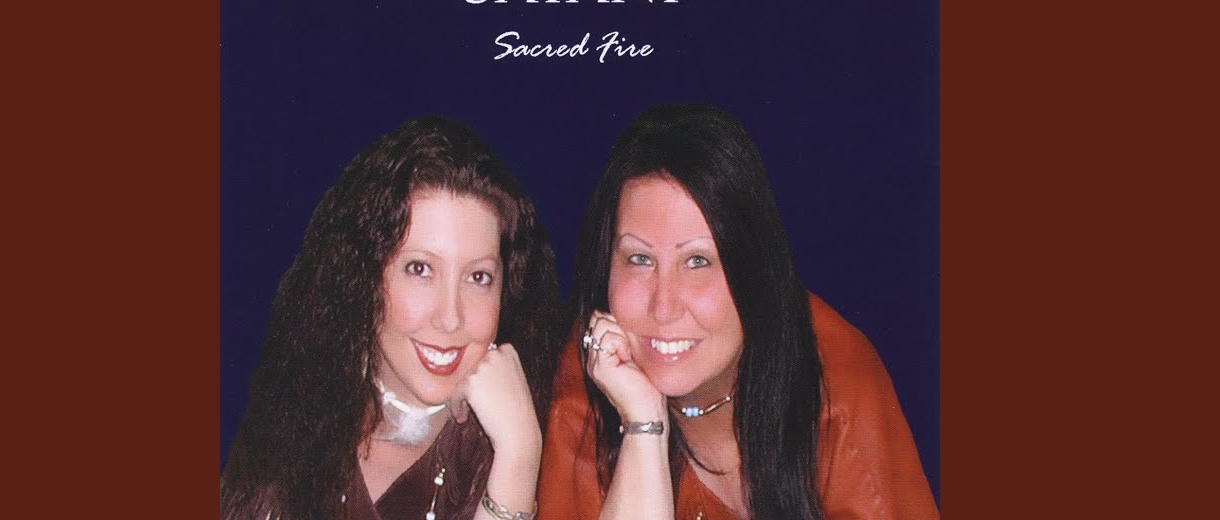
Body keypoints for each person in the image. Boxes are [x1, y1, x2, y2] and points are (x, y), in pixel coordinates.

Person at [539, 105, 937, 520]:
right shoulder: (583, 400)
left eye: (698, 261)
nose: (664, 307)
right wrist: (643, 426)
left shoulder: (833, 379)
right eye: (639, 259)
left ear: (755, 270)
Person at [222, 117, 562, 520]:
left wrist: (519, 454)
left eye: (478, 277)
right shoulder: (290, 417)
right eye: (420, 269)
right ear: (364, 276)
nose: (450, 318)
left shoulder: (548, 446)